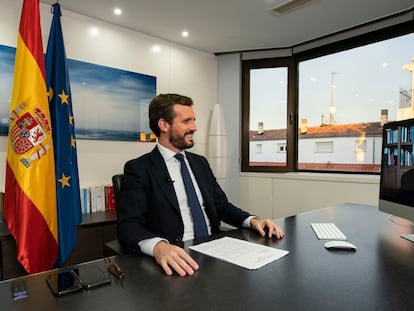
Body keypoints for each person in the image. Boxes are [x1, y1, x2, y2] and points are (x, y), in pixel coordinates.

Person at [117, 93, 285, 277]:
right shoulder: (139, 169)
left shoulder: (200, 163)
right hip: (176, 260)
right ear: (164, 125)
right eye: (187, 121)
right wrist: (159, 247)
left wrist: (252, 220)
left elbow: (221, 206)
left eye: (194, 121)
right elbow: (129, 225)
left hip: (214, 253)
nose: (194, 127)